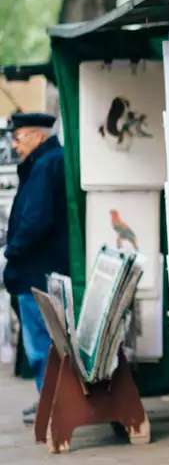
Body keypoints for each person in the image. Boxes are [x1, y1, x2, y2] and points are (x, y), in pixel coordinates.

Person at [2, 113, 69, 424]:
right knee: (43, 340)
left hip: (36, 270)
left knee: (40, 342)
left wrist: (11, 251)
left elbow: (36, 220)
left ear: (38, 136)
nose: (15, 144)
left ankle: (52, 403)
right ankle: (48, 398)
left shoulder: (44, 164)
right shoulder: (47, 161)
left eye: (20, 137)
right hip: (40, 268)